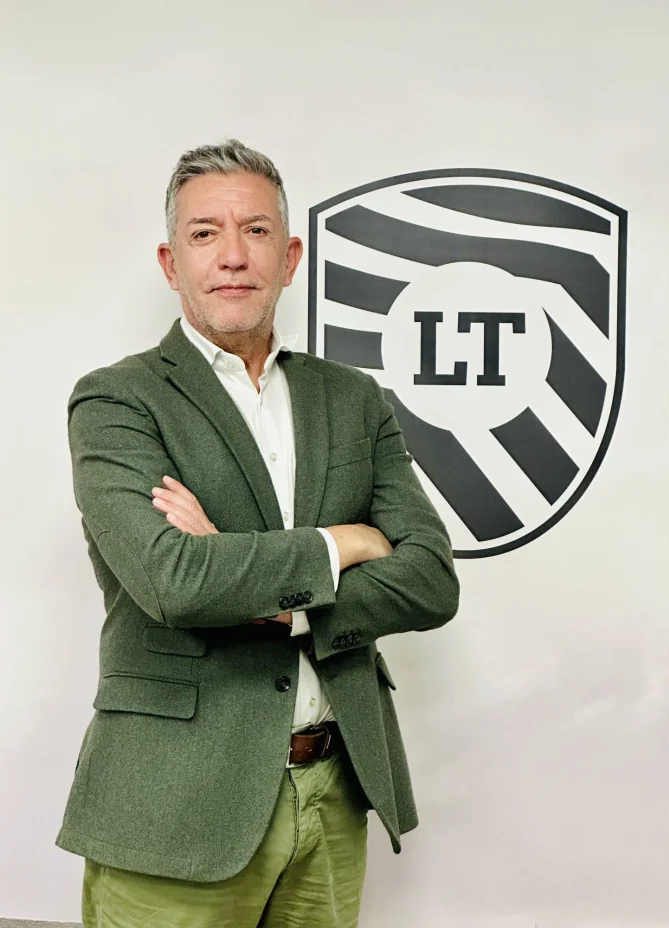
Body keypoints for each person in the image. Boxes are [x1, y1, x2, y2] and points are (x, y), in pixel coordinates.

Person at [56, 138, 460, 928]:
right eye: (205, 233)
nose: (233, 256)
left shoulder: (354, 399)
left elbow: (431, 580)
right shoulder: (116, 401)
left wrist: (273, 598)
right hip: (175, 807)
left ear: (290, 256)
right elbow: (174, 581)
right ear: (172, 264)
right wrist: (345, 544)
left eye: (256, 230)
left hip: (334, 791)